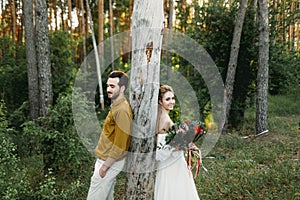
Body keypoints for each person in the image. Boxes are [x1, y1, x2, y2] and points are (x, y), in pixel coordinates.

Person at [87, 70, 132, 200]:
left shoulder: (122, 110)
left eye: (112, 86)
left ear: (122, 88)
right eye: (107, 85)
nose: (108, 89)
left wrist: (105, 167)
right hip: (105, 160)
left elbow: (120, 144)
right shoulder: (116, 105)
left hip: (109, 162)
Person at [155, 85, 200, 200]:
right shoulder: (164, 120)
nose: (172, 102)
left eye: (173, 98)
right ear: (160, 101)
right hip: (171, 166)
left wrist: (186, 143)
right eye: (167, 99)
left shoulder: (162, 115)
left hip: (175, 164)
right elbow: (159, 153)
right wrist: (180, 146)